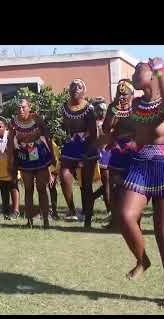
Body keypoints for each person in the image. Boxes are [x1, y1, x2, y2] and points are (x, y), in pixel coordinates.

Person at [119, 58, 164, 308]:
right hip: (140, 164)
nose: (135, 70)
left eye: (140, 68)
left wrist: (163, 74)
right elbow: (142, 134)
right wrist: (131, 142)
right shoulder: (137, 104)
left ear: (154, 74)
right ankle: (143, 261)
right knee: (125, 216)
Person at [60, 79, 98, 228]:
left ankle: (87, 216)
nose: (75, 88)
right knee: (64, 175)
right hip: (71, 145)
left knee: (86, 184)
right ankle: (72, 210)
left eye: (79, 87)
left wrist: (87, 153)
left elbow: (94, 133)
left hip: (87, 145)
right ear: (68, 90)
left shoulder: (89, 109)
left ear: (84, 91)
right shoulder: (64, 108)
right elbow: (65, 128)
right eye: (73, 86)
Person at [12, 98, 55, 229]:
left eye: (23, 107)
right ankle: (29, 221)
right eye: (19, 107)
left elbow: (47, 137)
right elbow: (11, 142)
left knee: (42, 188)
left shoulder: (37, 119)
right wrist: (12, 160)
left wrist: (52, 155)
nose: (21, 109)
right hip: (24, 156)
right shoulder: (13, 122)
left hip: (39, 154)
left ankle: (46, 220)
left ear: (29, 107)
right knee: (28, 189)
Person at [102, 79, 137, 229]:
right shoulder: (112, 107)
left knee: (133, 185)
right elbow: (106, 128)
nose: (121, 96)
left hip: (134, 148)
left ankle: (134, 220)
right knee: (114, 184)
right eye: (119, 93)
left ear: (132, 94)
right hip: (117, 148)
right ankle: (115, 219)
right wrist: (115, 111)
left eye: (125, 94)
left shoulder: (137, 108)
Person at [0, 116, 20, 220]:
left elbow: (16, 150)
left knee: (13, 187)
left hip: (11, 166)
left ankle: (15, 211)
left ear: (6, 127)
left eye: (0, 126)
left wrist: (16, 167)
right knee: (3, 189)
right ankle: (6, 210)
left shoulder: (11, 136)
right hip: (0, 167)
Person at [92, 98, 111, 218]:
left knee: (109, 182)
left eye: (104, 110)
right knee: (107, 182)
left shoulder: (109, 121)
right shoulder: (94, 123)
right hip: (100, 154)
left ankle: (93, 197)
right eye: (99, 109)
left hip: (110, 153)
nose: (102, 112)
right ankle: (109, 209)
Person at [48, 139, 61, 220]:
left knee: (51, 189)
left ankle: (54, 211)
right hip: (41, 169)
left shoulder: (53, 145)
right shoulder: (36, 143)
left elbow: (56, 161)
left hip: (52, 170)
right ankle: (45, 211)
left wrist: (52, 174)